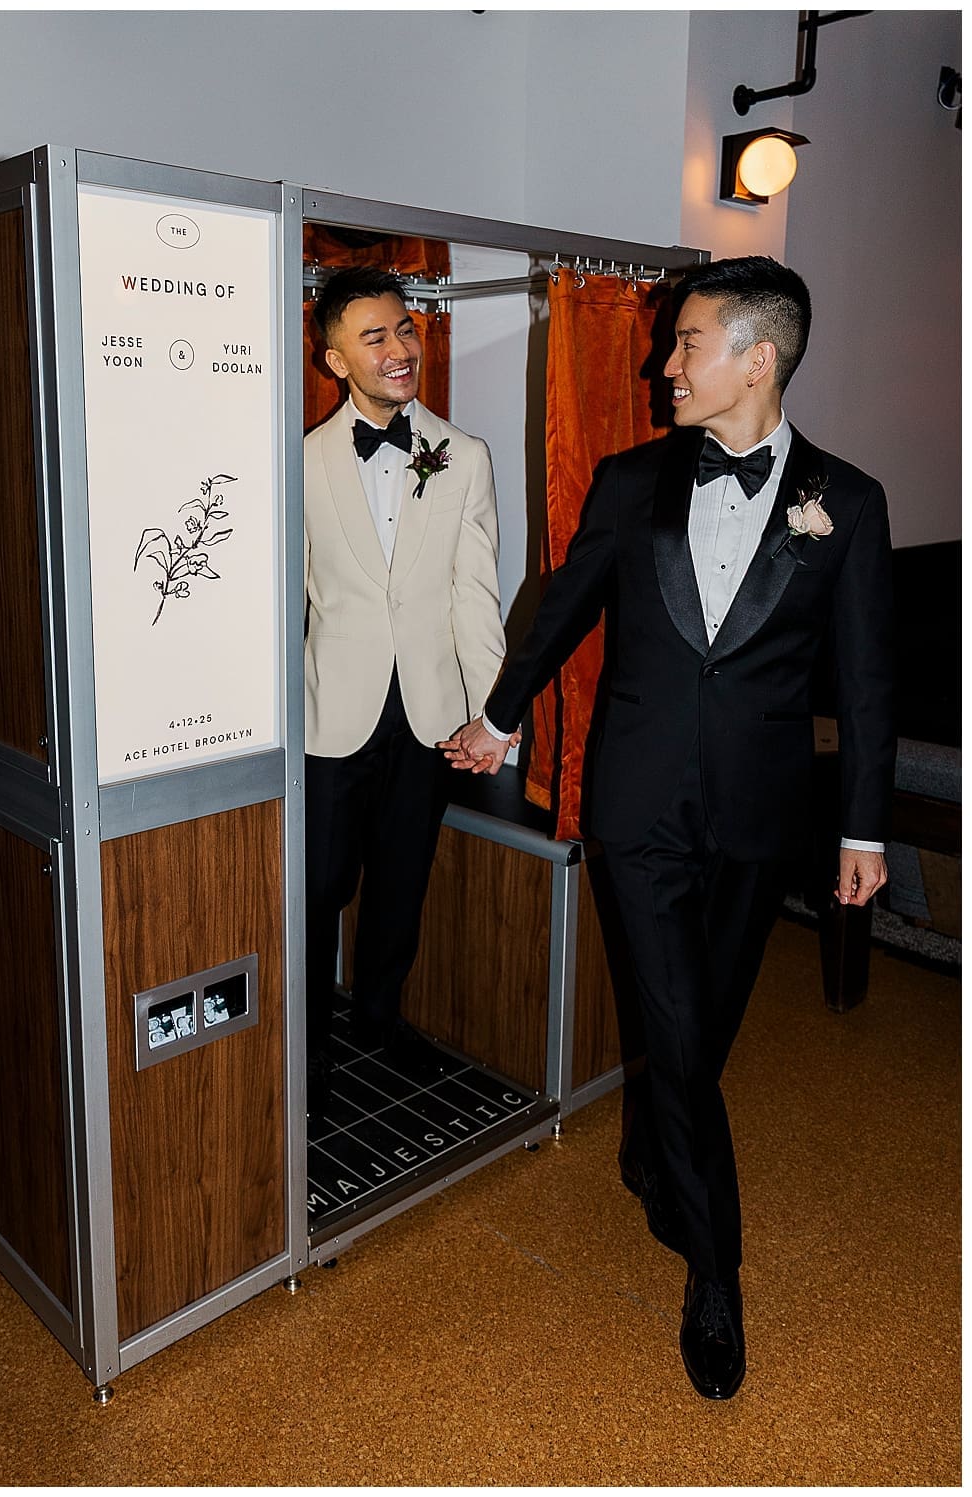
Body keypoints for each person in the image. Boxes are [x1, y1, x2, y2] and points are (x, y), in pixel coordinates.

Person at [446, 256, 893, 1400]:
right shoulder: (627, 478)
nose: (663, 363)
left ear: (757, 358)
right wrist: (498, 721)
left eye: (685, 343)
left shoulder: (846, 500)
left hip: (757, 817)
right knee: (682, 1032)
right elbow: (560, 606)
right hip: (637, 805)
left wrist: (860, 832)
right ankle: (714, 1274)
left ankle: (650, 1142)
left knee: (702, 1026)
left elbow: (865, 678)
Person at [301, 266, 506, 1103]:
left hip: (430, 715)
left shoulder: (465, 457)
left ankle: (379, 1019)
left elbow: (476, 594)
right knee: (316, 890)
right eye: (375, 336)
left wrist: (496, 715)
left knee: (401, 883)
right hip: (328, 718)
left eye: (406, 331)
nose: (399, 349)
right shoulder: (299, 461)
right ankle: (306, 1040)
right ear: (335, 358)